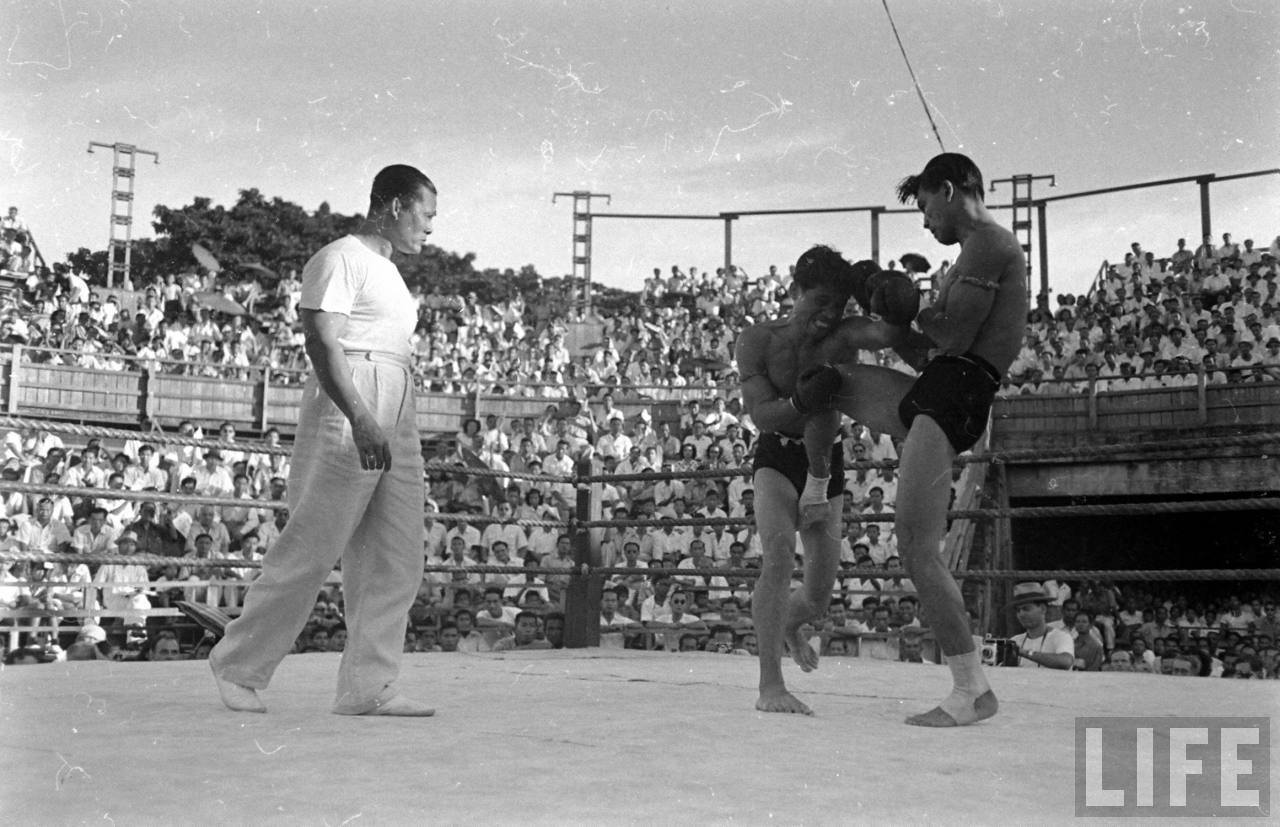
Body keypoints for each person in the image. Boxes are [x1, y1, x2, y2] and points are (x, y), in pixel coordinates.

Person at [793, 154, 1027, 725]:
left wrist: (911, 304)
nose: (924, 222)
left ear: (948, 190)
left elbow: (954, 336)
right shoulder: (971, 254)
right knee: (828, 381)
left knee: (917, 548)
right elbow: (928, 349)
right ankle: (817, 487)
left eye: (924, 206)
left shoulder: (990, 244)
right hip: (940, 384)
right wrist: (880, 299)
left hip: (958, 391)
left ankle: (972, 690)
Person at [209, 164, 438, 717]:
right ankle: (237, 666)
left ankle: (367, 686)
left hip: (398, 396)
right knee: (313, 543)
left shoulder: (390, 272)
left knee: (397, 555)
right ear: (394, 206)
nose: (431, 227)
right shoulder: (338, 257)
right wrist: (359, 416)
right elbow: (321, 341)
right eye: (426, 214)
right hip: (352, 397)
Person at [734, 244, 906, 715]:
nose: (829, 314)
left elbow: (887, 331)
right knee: (776, 557)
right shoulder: (757, 339)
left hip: (825, 463)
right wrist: (801, 403)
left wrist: (886, 294)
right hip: (777, 456)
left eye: (839, 305)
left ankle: (790, 626)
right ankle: (770, 684)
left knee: (816, 598)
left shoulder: (843, 336)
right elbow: (761, 415)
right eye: (821, 301)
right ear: (796, 291)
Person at [1008, 582, 1074, 670]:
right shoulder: (1014, 640)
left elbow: (1065, 662)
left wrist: (1024, 652)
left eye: (1026, 609)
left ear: (1043, 609)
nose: (1021, 614)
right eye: (1018, 610)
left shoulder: (1061, 637)